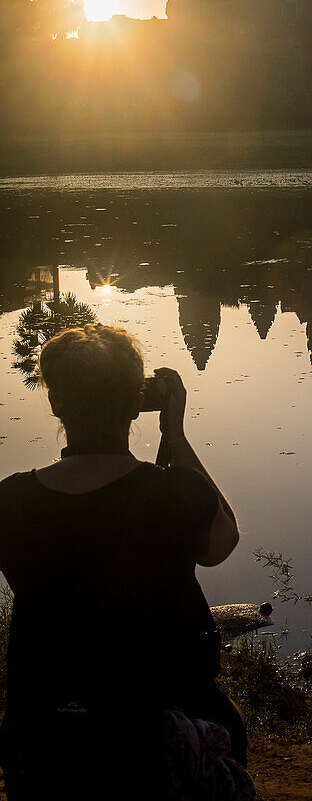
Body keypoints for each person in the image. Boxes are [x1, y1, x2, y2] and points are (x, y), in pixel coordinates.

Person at [0, 324, 250, 799]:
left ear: (56, 403)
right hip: (162, 727)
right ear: (137, 403)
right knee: (225, 725)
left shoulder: (11, 500)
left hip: (43, 734)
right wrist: (175, 434)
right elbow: (222, 543)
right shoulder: (175, 491)